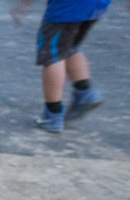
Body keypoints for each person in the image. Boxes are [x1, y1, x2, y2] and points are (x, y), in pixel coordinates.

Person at [11, 0, 110, 133]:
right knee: (69, 47)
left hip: (67, 7)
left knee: (52, 55)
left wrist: (23, 4)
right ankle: (85, 93)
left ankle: (53, 115)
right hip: (97, 5)